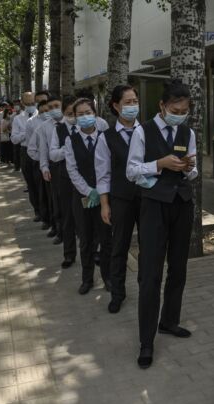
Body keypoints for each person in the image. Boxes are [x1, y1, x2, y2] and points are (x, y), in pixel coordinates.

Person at [126, 79, 197, 369]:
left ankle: (170, 320)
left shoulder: (187, 131)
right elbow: (131, 171)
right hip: (154, 206)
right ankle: (146, 340)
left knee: (178, 268)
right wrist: (160, 164)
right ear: (162, 106)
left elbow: (192, 173)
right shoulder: (142, 131)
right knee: (151, 274)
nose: (180, 114)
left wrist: (189, 169)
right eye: (175, 109)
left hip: (182, 204)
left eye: (184, 109)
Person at [95, 85, 141, 314]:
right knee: (119, 247)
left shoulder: (148, 132)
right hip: (121, 199)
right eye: (128, 102)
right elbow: (103, 174)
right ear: (116, 105)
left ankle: (148, 290)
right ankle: (117, 293)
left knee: (150, 246)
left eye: (135, 101)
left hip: (147, 199)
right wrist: (105, 203)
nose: (133, 106)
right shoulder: (107, 138)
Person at [64, 98, 112, 295]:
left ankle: (108, 277)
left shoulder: (106, 137)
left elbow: (110, 167)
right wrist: (88, 190)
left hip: (105, 198)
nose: (85, 117)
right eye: (80, 114)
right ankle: (87, 278)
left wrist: (101, 192)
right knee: (85, 239)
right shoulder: (70, 140)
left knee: (106, 238)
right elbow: (72, 170)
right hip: (82, 197)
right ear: (74, 118)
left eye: (88, 112)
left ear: (95, 113)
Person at [46, 95, 78, 267]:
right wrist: (69, 149)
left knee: (88, 218)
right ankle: (69, 254)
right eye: (69, 113)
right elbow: (53, 154)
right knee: (68, 217)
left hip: (85, 179)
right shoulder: (58, 130)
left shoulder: (85, 127)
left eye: (75, 113)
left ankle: (94, 252)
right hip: (65, 178)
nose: (73, 116)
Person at [35, 96, 65, 241]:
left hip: (71, 165)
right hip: (54, 167)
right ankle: (59, 230)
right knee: (56, 201)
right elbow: (43, 150)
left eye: (56, 106)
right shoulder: (44, 126)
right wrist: (44, 168)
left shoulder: (71, 122)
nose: (54, 110)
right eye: (50, 107)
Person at [11, 92, 40, 220]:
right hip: (25, 151)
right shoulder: (18, 119)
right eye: (27, 104)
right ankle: (37, 211)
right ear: (23, 103)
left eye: (32, 103)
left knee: (41, 183)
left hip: (40, 151)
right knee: (31, 183)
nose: (30, 106)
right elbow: (14, 139)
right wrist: (26, 133)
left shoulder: (40, 116)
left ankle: (46, 211)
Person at [26, 98, 53, 230]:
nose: (45, 113)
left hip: (57, 165)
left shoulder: (57, 125)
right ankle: (46, 219)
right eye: (42, 111)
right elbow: (31, 149)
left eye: (47, 111)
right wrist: (43, 159)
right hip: (42, 165)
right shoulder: (36, 126)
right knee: (43, 193)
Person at [11, 99, 23, 171]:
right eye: (15, 105)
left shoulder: (24, 115)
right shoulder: (13, 116)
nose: (16, 106)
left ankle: (22, 165)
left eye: (17, 104)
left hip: (23, 138)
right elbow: (9, 125)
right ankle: (17, 166)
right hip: (15, 136)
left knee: (21, 152)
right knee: (16, 151)